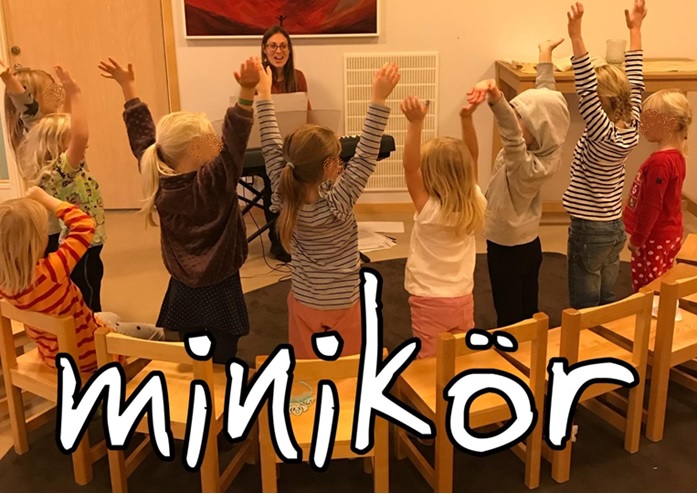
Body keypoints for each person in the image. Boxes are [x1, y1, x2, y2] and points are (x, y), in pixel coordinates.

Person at [100, 56, 258, 364]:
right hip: (222, 284)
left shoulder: (158, 176)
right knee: (224, 351)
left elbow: (143, 140)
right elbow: (234, 143)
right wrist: (246, 94)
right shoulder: (213, 184)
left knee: (191, 345)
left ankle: (195, 372)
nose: (217, 145)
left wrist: (128, 88)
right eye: (210, 143)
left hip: (184, 284)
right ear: (196, 151)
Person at [256, 61, 400, 359]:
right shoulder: (340, 200)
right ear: (329, 167)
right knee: (348, 367)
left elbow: (270, 145)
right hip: (344, 302)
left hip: (304, 301)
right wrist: (378, 98)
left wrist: (264, 97)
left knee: (305, 367)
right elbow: (366, 153)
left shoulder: (284, 193)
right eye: (337, 158)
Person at [0, 187, 163, 374]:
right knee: (155, 333)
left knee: (111, 317)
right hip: (91, 356)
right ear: (36, 241)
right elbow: (85, 224)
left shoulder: (5, 284)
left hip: (52, 357)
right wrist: (46, 199)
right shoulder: (52, 270)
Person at [468, 39, 570, 328]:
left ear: (539, 131)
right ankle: (532, 333)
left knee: (509, 308)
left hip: (506, 247)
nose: (513, 118)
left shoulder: (525, 166)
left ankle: (511, 342)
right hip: (529, 243)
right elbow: (546, 92)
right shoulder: (548, 147)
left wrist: (496, 97)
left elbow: (511, 134)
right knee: (528, 300)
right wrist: (545, 54)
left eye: (519, 117)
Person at [563, 0, 647, 309]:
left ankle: (585, 337)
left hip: (589, 229)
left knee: (584, 304)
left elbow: (585, 87)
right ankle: (604, 332)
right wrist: (635, 29)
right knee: (606, 298)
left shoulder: (601, 133)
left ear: (599, 103)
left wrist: (576, 35)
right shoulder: (632, 125)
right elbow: (635, 80)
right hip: (614, 227)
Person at [400, 95, 486, 358]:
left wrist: (415, 123)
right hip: (463, 295)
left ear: (430, 174)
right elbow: (473, 156)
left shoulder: (428, 210)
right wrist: (466, 119)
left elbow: (410, 167)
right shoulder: (475, 201)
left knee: (429, 361)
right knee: (462, 354)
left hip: (429, 300)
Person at [16, 67, 107, 312]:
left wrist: (67, 93)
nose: (84, 144)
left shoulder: (55, 168)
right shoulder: (61, 171)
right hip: (83, 243)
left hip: (84, 242)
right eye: (71, 139)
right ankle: (90, 325)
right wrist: (75, 94)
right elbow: (80, 136)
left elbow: (72, 130)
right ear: (59, 145)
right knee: (88, 290)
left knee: (83, 284)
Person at [624, 90, 692, 291]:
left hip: (655, 236)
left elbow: (652, 205)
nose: (643, 125)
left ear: (670, 123)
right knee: (662, 280)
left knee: (649, 287)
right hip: (669, 232)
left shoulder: (660, 163)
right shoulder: (676, 155)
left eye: (650, 120)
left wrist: (638, 239)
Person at [260, 25, 311, 264]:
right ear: (264, 49)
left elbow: (306, 113)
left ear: (289, 50)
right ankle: (277, 240)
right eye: (273, 46)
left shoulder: (298, 77)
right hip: (266, 145)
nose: (278, 51)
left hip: (293, 144)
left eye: (283, 46)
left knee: (304, 174)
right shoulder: (259, 77)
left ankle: (299, 234)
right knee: (273, 180)